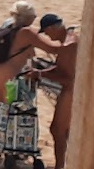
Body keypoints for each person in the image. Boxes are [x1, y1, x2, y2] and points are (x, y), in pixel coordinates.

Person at [0, 2, 68, 152]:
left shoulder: (8, 26)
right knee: (13, 112)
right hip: (10, 76)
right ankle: (8, 149)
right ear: (29, 17)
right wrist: (68, 39)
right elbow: (52, 49)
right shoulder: (28, 33)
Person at [30, 16, 77, 168]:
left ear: (52, 29)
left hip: (71, 91)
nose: (48, 37)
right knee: (66, 131)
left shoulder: (68, 46)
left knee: (57, 129)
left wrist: (41, 74)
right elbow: (61, 68)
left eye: (47, 33)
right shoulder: (70, 40)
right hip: (72, 89)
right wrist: (40, 71)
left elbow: (68, 78)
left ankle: (60, 166)